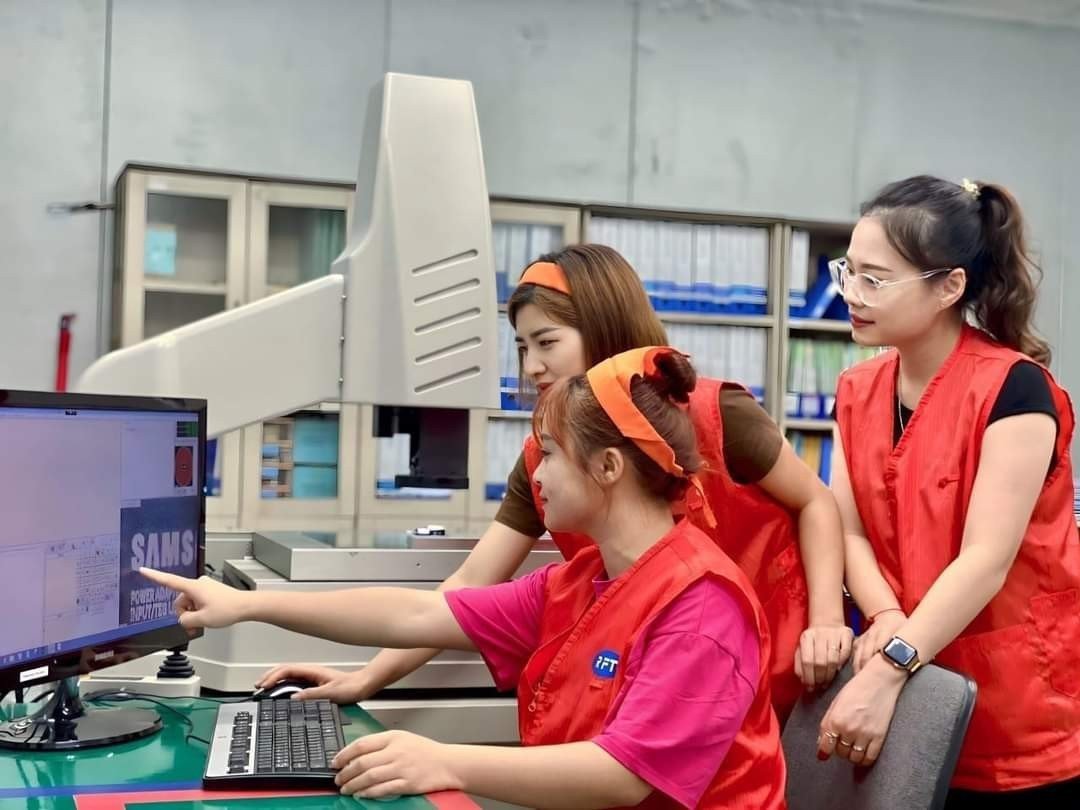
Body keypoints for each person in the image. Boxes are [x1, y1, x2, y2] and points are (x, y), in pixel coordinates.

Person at [144, 348, 787, 808]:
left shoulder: (701, 604)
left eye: (553, 456)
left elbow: (623, 774)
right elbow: (420, 616)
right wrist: (249, 606)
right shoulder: (586, 577)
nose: (536, 476)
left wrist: (443, 759)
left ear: (610, 468)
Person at [262, 244, 849, 720]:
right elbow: (468, 582)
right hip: (654, 685)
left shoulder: (715, 416)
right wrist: (368, 677)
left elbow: (816, 502)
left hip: (781, 670)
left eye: (547, 343)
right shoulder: (552, 453)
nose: (531, 367)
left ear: (605, 331)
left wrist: (825, 622)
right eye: (521, 347)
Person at [817, 175, 1080, 807]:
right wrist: (883, 615)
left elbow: (985, 561)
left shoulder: (1016, 390)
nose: (852, 293)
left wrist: (887, 667)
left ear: (949, 287)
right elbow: (845, 526)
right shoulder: (857, 390)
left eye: (875, 279)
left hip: (1016, 708)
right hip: (908, 679)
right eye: (848, 271)